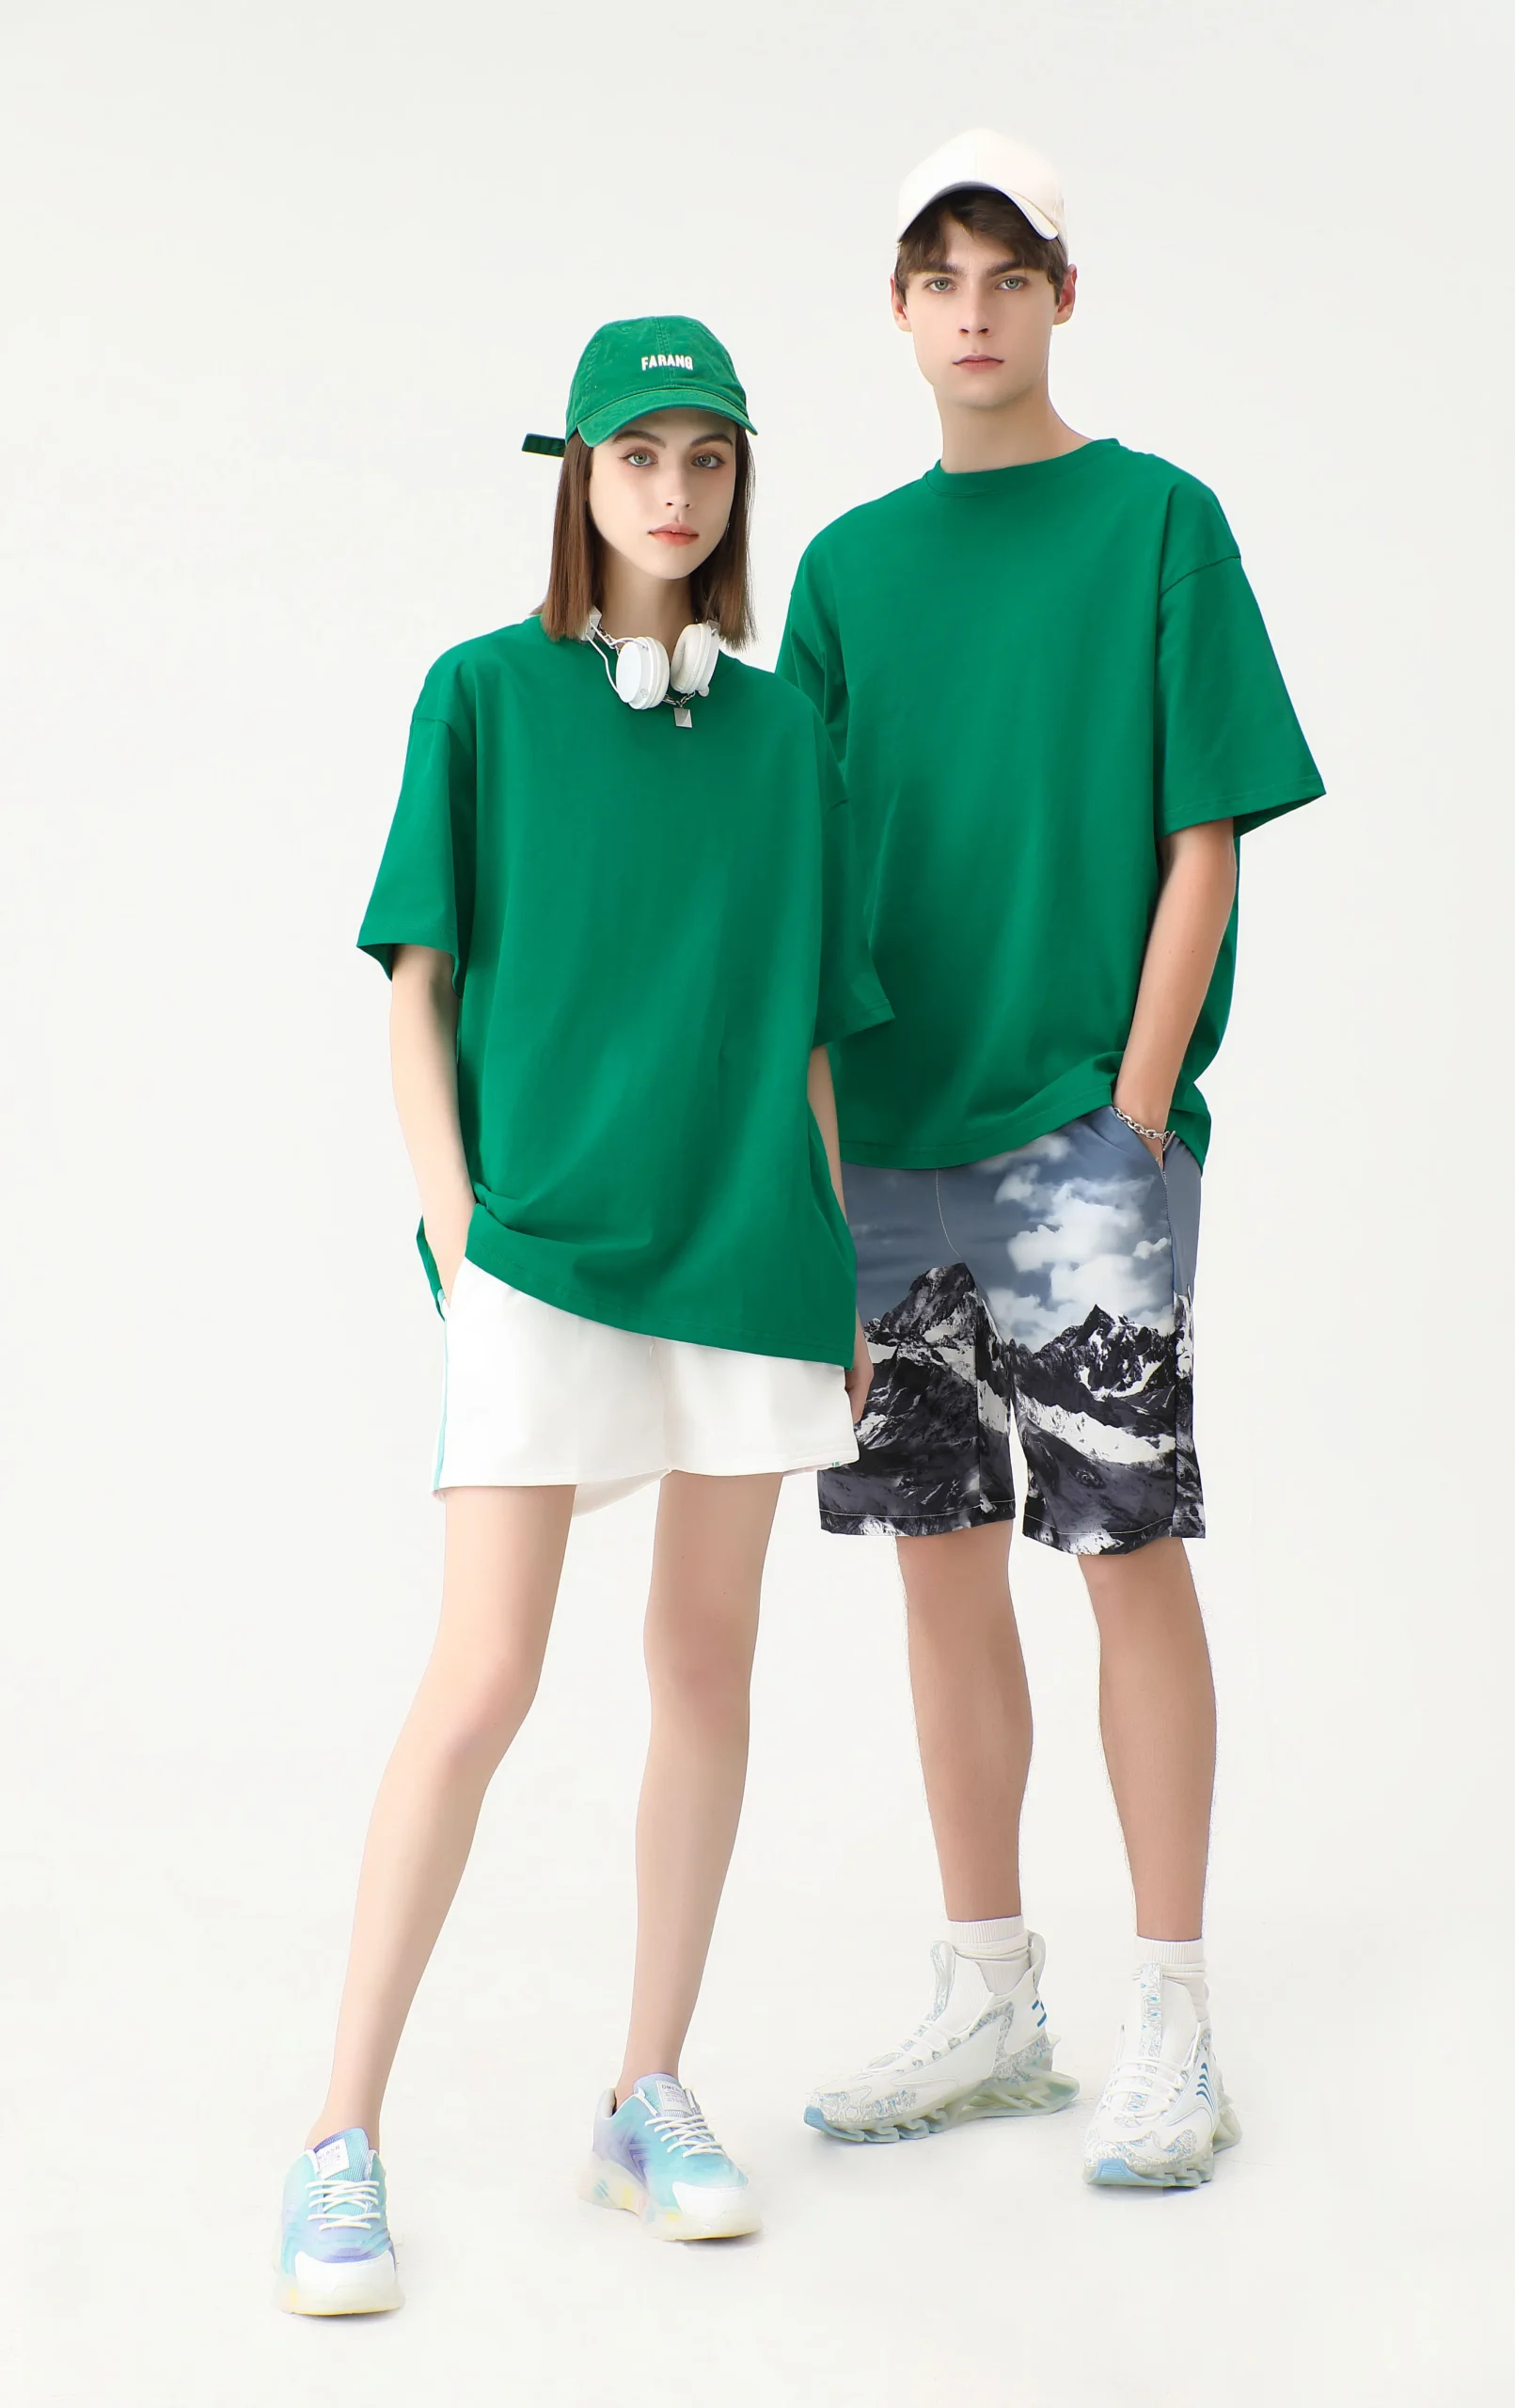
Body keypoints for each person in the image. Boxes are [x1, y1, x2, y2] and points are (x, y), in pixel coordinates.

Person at [276, 316, 888, 2312]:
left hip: (746, 1253)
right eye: (639, 455)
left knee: (704, 1668)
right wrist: (457, 1235)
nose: (674, 492)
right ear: (580, 476)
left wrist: (835, 1263)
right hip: (541, 1252)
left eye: (708, 458)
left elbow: (811, 1032)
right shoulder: (481, 696)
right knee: (480, 1682)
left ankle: (645, 2092)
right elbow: (419, 986)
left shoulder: (785, 735)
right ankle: (337, 2134)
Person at [777, 130, 1323, 2187]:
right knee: (936, 1565)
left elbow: (1206, 831)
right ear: (897, 311)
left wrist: (1135, 1103)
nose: (975, 310)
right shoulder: (844, 572)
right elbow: (797, 878)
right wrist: (814, 1154)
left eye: (1009, 274)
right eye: (939, 278)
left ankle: (1173, 2013)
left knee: (1122, 1547)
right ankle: (991, 1997)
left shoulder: (1158, 520)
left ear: (1062, 297)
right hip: (883, 1154)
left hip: (1075, 1140)